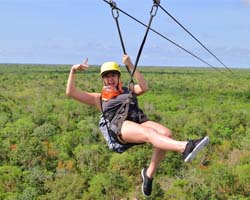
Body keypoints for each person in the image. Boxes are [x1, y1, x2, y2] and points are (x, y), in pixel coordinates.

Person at [66, 54, 209, 197]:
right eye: (106, 76)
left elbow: (144, 87)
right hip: (120, 127)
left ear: (118, 76)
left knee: (166, 133)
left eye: (113, 75)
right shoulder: (98, 98)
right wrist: (73, 70)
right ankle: (185, 147)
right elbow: (71, 93)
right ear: (103, 79)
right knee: (149, 133)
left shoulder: (129, 89)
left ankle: (148, 175)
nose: (110, 79)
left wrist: (130, 65)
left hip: (138, 120)